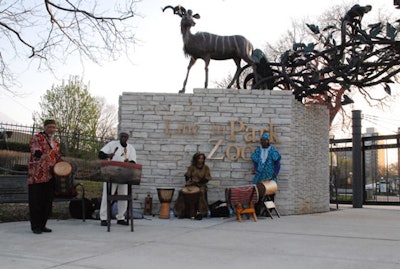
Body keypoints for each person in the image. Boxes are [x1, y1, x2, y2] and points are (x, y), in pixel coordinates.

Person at [28, 119, 61, 234]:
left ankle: (43, 225)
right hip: (37, 176)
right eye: (50, 126)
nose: (52, 129)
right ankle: (35, 226)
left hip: (50, 175)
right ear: (45, 127)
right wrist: (42, 156)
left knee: (47, 202)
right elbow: (35, 150)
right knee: (36, 201)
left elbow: (57, 158)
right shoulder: (37, 137)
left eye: (54, 127)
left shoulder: (56, 143)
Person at [98, 132, 137, 226]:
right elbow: (100, 154)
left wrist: (129, 163)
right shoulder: (112, 144)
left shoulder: (130, 148)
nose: (123, 138)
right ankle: (103, 218)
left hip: (124, 175)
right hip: (111, 173)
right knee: (107, 195)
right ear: (119, 137)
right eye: (122, 137)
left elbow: (133, 162)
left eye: (125, 137)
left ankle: (121, 217)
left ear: (127, 138)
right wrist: (108, 156)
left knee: (123, 196)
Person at [174, 152, 211, 219]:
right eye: (199, 158)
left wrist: (198, 181)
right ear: (196, 159)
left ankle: (200, 212)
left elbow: (207, 179)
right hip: (191, 185)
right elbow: (187, 176)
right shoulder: (192, 167)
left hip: (201, 185)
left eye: (202, 159)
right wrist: (190, 180)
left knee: (200, 193)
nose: (201, 160)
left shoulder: (206, 168)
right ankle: (182, 211)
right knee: (182, 192)